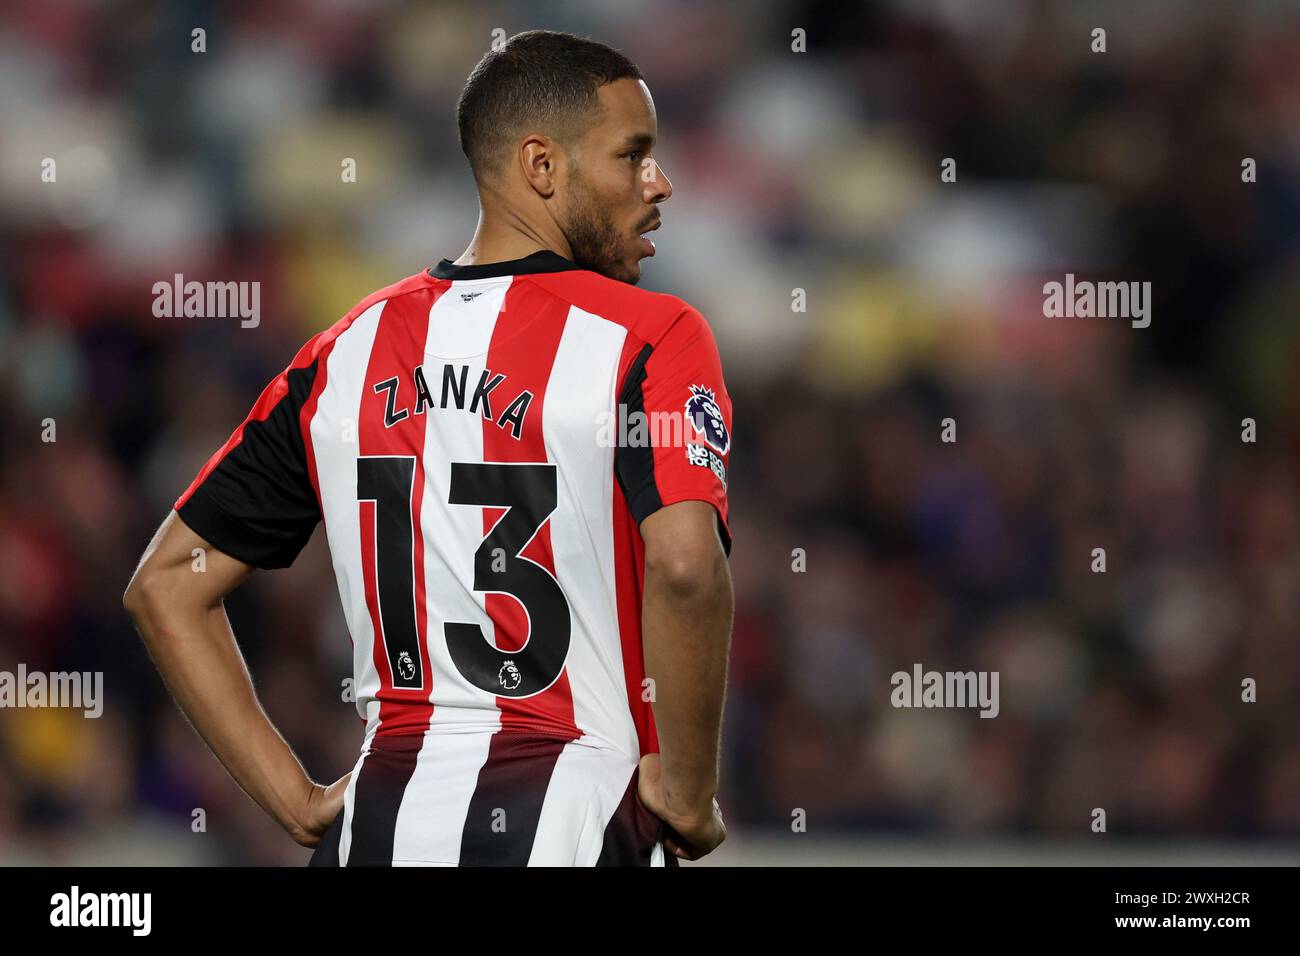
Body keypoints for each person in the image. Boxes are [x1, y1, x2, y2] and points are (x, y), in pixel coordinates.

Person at [124, 29, 733, 866]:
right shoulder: (654, 333)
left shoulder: (343, 355)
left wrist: (298, 803)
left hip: (378, 828)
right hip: (576, 821)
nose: (658, 183)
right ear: (542, 167)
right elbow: (685, 566)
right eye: (633, 155)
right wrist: (687, 793)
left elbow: (165, 588)